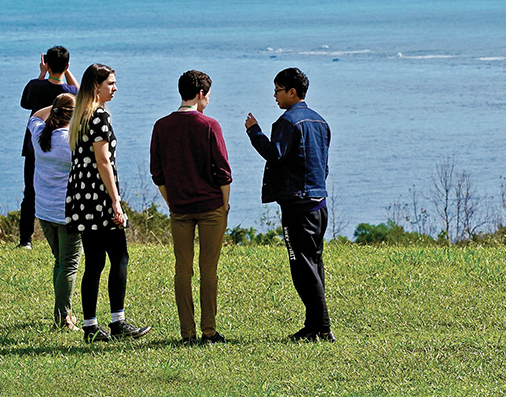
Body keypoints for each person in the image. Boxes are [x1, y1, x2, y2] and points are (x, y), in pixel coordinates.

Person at [244, 67, 334, 342]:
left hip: (298, 207)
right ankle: (313, 327)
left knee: (302, 267)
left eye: (278, 90)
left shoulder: (288, 122)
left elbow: (275, 154)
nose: (274, 96)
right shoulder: (320, 122)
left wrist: (254, 132)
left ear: (292, 92)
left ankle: (321, 328)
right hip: (319, 204)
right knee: (314, 264)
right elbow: (323, 166)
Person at [65, 63, 150, 343]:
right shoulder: (100, 116)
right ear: (96, 87)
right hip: (98, 196)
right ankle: (118, 321)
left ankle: (90, 326)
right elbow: (103, 161)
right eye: (110, 83)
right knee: (119, 257)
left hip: (81, 194)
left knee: (94, 262)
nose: (115, 88)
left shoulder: (80, 116)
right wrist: (115, 200)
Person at [150, 70, 233, 344]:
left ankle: (187, 333)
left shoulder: (161, 126)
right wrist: (225, 205)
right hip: (210, 206)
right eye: (208, 96)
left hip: (179, 208)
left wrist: (171, 200)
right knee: (209, 269)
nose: (208, 101)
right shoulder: (210, 125)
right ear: (200, 95)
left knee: (182, 270)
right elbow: (223, 172)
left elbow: (157, 173)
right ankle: (209, 331)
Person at [28, 92, 81, 330]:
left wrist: (60, 104)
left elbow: (36, 115)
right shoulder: (72, 142)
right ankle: (63, 318)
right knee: (68, 265)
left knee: (60, 263)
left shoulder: (40, 134)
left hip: (44, 210)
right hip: (67, 211)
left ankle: (63, 312)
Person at [18, 46, 78, 248]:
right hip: (62, 146)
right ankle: (65, 229)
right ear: (67, 66)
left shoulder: (35, 86)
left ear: (47, 64)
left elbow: (25, 104)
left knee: (30, 193)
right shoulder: (69, 92)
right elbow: (78, 92)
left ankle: (26, 240)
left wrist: (42, 73)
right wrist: (67, 71)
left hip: (35, 145)